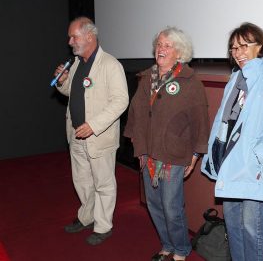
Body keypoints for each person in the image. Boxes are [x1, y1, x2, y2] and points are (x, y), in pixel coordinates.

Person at [201, 23, 263, 261]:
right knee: (234, 230)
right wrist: (214, 155)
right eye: (234, 48)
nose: (238, 52)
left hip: (253, 169)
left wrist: (257, 158)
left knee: (253, 233)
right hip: (231, 165)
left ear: (261, 46)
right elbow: (224, 123)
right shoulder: (236, 77)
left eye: (244, 46)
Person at [123, 27, 209, 261]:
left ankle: (181, 249)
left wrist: (195, 155)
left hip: (174, 155)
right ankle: (167, 245)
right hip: (149, 154)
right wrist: (137, 143)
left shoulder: (190, 81)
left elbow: (200, 119)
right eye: (159, 45)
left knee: (172, 207)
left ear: (179, 51)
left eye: (167, 45)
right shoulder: (147, 78)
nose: (160, 49)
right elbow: (136, 111)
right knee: (154, 206)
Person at [54, 17, 129, 245]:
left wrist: (94, 125)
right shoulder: (77, 63)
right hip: (76, 134)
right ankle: (86, 217)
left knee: (103, 183)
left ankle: (103, 225)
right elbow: (73, 93)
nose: (70, 41)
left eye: (74, 36)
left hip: (98, 136)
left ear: (89, 36)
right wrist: (63, 81)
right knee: (82, 180)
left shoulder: (110, 64)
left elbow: (121, 101)